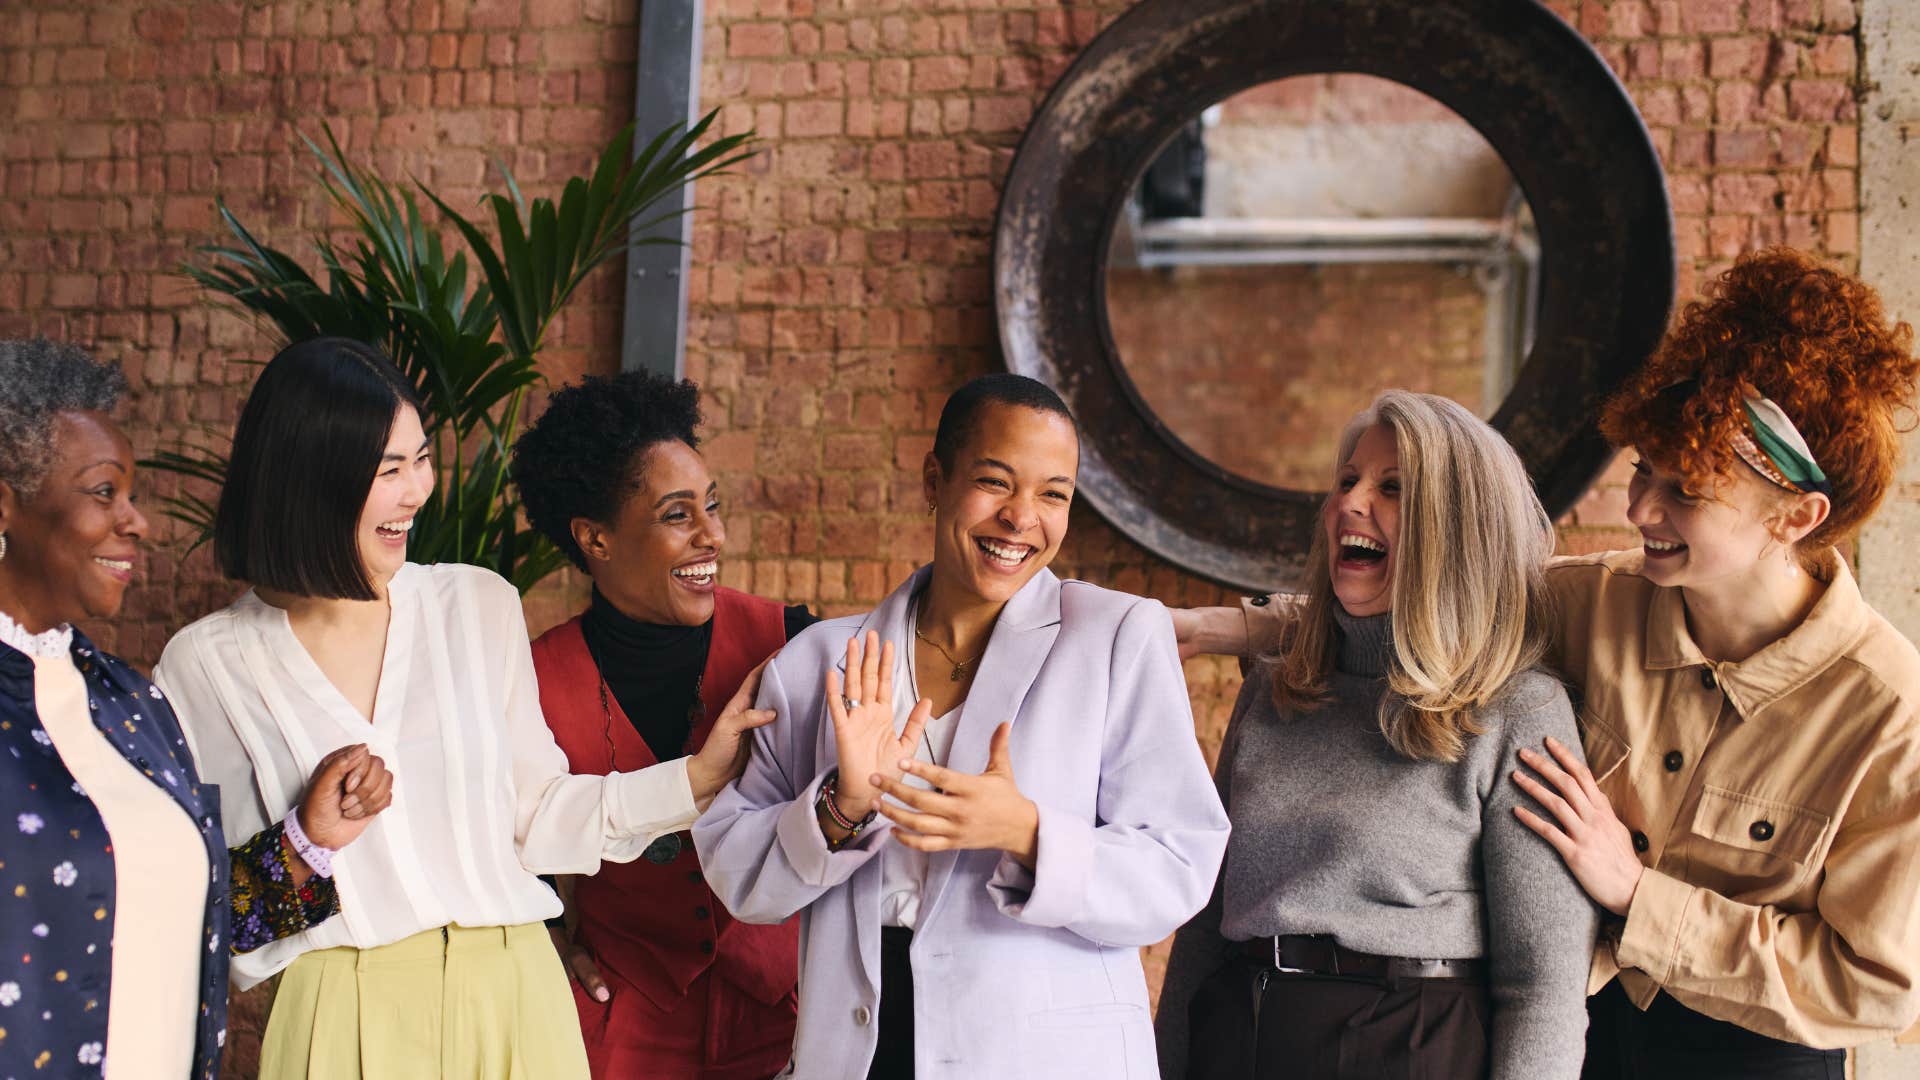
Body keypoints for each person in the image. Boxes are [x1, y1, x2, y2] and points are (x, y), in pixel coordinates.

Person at [1179, 250, 1920, 1077]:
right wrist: (1225, 629)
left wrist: (1638, 895)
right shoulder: (1591, 600)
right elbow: (1430, 592)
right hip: (1589, 1024)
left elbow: (1875, 984)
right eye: (1644, 470)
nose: (1640, 509)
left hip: (1750, 1051)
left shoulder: (1890, 714)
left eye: (1687, 491)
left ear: (1798, 515)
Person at [153, 337, 774, 1079]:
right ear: (311, 476)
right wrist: (307, 838)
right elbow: (219, 917)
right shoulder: (207, 665)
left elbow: (537, 818)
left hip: (515, 995)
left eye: (420, 459)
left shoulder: (475, 604)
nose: (418, 489)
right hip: (343, 1013)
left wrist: (697, 781)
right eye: (390, 470)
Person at [693, 373, 1231, 1079]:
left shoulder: (1117, 637)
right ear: (934, 479)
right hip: (859, 1047)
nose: (1021, 518)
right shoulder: (819, 662)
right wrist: (841, 808)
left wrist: (1026, 833)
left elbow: (1179, 865)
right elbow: (739, 875)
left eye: (1053, 495)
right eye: (995, 482)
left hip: (1045, 1055)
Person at [1155, 390, 1597, 1080]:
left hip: (1411, 1046)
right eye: (1346, 482)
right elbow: (1205, 930)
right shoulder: (1274, 690)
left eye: (1392, 488)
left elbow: (1541, 985)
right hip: (1237, 1035)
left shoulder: (1518, 708)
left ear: (1455, 527)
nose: (1348, 504)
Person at [0, 338, 386, 1079]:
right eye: (103, 492)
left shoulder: (132, 704)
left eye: (132, 495)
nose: (138, 521)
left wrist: (310, 839)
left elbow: (197, 925)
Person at [510, 370, 807, 1079]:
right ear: (596, 539)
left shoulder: (790, 642)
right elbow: (499, 847)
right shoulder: (534, 677)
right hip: (620, 1027)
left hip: (785, 1017)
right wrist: (545, 940)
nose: (714, 534)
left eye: (711, 506)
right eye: (679, 515)